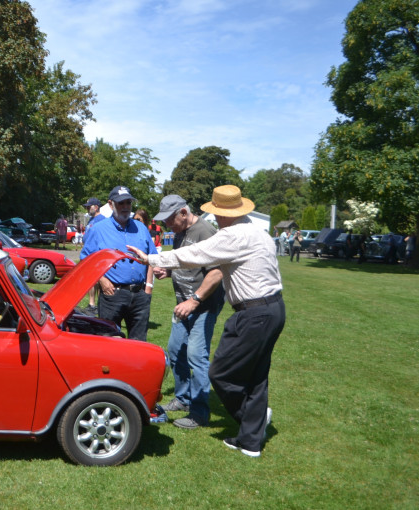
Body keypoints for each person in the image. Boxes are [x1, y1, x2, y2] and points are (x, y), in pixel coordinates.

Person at [127, 185, 285, 457]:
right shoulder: (257, 233)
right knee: (256, 376)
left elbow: (194, 255)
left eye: (218, 214)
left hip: (254, 313)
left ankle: (253, 421)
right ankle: (250, 442)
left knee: (220, 373)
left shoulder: (231, 236)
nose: (216, 219)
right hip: (273, 308)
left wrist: (150, 258)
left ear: (225, 214)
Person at [151, 195, 225, 429]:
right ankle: (183, 399)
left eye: (170, 219)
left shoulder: (206, 232)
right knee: (175, 351)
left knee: (196, 355)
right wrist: (170, 273)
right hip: (183, 304)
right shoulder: (180, 232)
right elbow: (188, 264)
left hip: (202, 305)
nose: (167, 225)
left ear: (184, 212)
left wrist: (194, 301)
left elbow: (216, 272)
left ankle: (200, 412)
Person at [81, 186, 157, 341]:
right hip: (112, 294)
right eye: (121, 203)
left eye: (128, 203)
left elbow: (151, 258)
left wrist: (148, 287)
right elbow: (85, 261)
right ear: (111, 204)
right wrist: (102, 280)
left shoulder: (141, 228)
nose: (125, 207)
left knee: (139, 344)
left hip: (140, 296)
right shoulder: (98, 229)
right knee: (109, 343)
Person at [82, 197, 104, 315]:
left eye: (88, 206)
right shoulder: (91, 220)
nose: (87, 208)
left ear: (96, 207)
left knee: (99, 281)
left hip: (97, 255)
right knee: (91, 281)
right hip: (89, 255)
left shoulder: (102, 220)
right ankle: (92, 304)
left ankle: (100, 305)